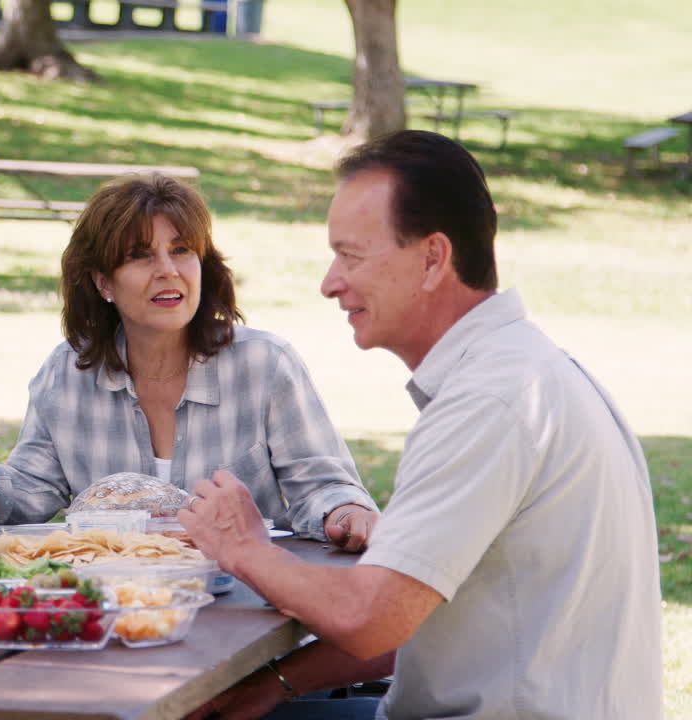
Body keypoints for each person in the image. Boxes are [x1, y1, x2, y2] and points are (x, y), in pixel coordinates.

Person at [180, 130, 662, 719]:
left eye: (351, 256)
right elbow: (411, 612)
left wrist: (242, 548)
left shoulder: (488, 402)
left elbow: (370, 617)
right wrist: (275, 683)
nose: (330, 283)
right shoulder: (524, 372)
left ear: (433, 258)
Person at [0, 174, 378, 549]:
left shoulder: (264, 364)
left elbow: (324, 487)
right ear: (103, 281)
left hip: (246, 594)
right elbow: (29, 490)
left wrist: (346, 513)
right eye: (140, 255)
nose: (167, 271)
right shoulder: (67, 373)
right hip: (120, 596)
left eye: (181, 250)